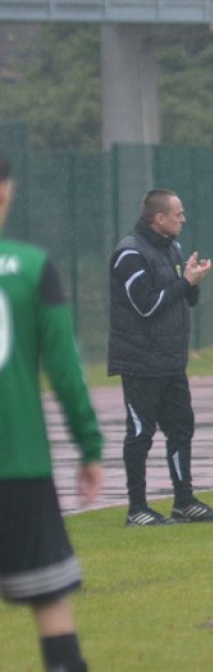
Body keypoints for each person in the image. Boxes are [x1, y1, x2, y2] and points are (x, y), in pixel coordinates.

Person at [0, 154, 103, 671]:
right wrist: (89, 446)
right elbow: (65, 370)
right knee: (50, 602)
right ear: (6, 191)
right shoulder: (32, 267)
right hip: (18, 463)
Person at [108, 188, 213, 526]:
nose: (184, 220)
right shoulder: (130, 253)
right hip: (140, 361)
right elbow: (146, 306)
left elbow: (184, 298)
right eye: (179, 214)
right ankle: (137, 508)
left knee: (181, 428)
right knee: (141, 433)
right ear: (159, 218)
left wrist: (192, 281)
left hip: (171, 359)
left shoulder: (172, 247)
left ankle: (184, 502)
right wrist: (184, 282)